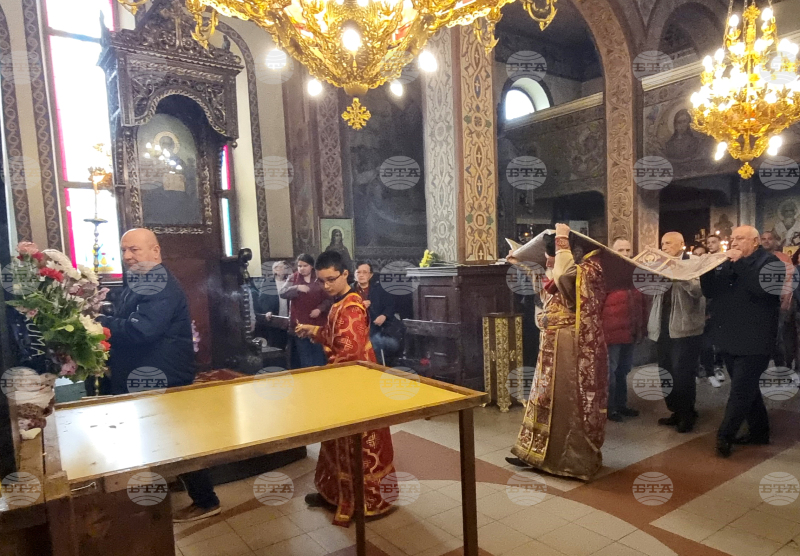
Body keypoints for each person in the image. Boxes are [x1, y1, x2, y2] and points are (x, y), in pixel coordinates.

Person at [98, 228, 219, 522]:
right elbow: (129, 318)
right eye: (124, 250)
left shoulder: (158, 282)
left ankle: (206, 501)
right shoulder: (140, 279)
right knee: (165, 440)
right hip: (147, 373)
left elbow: (142, 329)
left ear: (155, 251)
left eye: (135, 249)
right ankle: (168, 491)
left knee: (179, 441)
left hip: (162, 376)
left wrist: (101, 324)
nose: (128, 256)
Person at [296, 251, 395, 525]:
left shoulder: (351, 307)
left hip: (354, 385)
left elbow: (349, 355)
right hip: (345, 382)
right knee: (337, 442)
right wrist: (314, 330)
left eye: (331, 279)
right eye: (321, 281)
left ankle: (362, 502)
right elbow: (335, 336)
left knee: (357, 446)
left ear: (345, 274)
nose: (326, 285)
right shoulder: (340, 302)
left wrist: (323, 380)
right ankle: (335, 495)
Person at [506, 223, 608, 480]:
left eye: (554, 253)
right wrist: (522, 261)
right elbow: (548, 287)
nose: (549, 259)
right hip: (551, 342)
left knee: (565, 401)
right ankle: (535, 453)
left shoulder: (590, 269)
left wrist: (561, 238)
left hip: (570, 346)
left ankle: (569, 460)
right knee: (542, 398)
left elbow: (563, 276)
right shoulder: (566, 268)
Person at [701, 226, 780, 457]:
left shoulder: (770, 263)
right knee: (748, 389)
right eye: (732, 238)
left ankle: (724, 436)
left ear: (755, 242)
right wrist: (706, 270)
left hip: (756, 340)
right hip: (730, 338)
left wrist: (740, 264)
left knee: (739, 391)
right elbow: (711, 292)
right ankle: (760, 432)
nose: (734, 243)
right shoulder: (729, 263)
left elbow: (763, 291)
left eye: (740, 239)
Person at [648, 232, 705, 433]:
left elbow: (698, 291)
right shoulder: (660, 263)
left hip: (685, 328)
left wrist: (677, 271)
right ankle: (675, 410)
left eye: (668, 243)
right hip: (662, 326)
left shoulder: (694, 262)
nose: (664, 247)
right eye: (662, 243)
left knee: (683, 373)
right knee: (666, 372)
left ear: (681, 244)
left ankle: (687, 414)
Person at [603, 238, 647, 422]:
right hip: (611, 331)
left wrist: (642, 328)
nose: (625, 253)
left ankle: (621, 404)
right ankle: (609, 407)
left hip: (630, 330)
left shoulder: (635, 271)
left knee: (624, 370)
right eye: (621, 250)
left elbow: (642, 302)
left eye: (628, 249)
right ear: (612, 251)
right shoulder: (605, 272)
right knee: (610, 372)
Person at [280, 254, 331, 368]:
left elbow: (329, 298)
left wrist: (320, 309)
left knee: (319, 356)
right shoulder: (293, 278)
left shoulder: (319, 278)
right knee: (305, 358)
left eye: (305, 266)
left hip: (317, 324)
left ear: (311, 266)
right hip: (300, 324)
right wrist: (296, 287)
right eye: (299, 266)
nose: (302, 268)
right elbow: (282, 293)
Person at [353, 262, 402, 365]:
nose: (361, 275)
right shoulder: (350, 290)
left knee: (375, 341)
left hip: (380, 329)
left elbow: (390, 306)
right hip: (356, 329)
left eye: (365, 272)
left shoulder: (379, 289)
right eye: (358, 272)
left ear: (370, 275)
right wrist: (359, 306)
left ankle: (378, 368)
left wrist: (384, 316)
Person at [761, 230, 795, 368]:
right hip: (761, 303)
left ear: (775, 241)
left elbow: (790, 281)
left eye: (769, 238)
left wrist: (786, 300)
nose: (766, 241)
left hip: (779, 302)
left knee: (777, 336)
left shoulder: (783, 258)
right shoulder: (756, 258)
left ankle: (781, 367)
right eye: (763, 238)